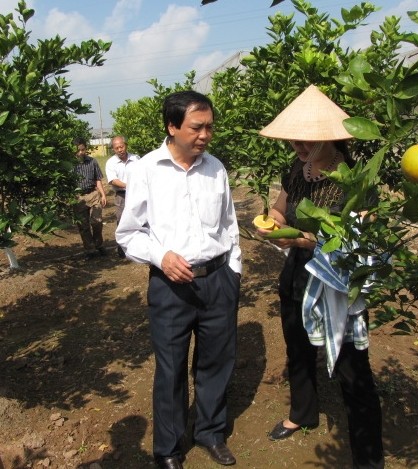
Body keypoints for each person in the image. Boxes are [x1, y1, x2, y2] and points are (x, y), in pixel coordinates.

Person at [257, 84, 384, 469]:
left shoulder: (356, 179)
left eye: (307, 139)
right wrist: (271, 224)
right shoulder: (296, 171)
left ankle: (367, 456)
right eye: (294, 138)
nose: (298, 144)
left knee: (351, 367)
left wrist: (304, 240)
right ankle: (303, 412)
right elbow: (281, 211)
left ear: (332, 138)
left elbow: (359, 240)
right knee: (298, 348)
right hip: (296, 274)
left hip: (337, 282)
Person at [116, 91, 242, 469]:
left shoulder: (216, 168)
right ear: (172, 127)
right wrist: (161, 256)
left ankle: (210, 432)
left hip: (218, 279)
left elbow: (229, 225)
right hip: (170, 286)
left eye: (209, 127)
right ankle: (168, 449)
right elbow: (128, 233)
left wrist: (233, 270)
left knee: (217, 362)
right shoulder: (147, 170)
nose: (205, 135)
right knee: (170, 367)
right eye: (197, 127)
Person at [105, 136, 139, 258]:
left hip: (136, 194)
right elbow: (113, 180)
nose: (120, 149)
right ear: (113, 149)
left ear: (126, 145)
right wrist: (129, 186)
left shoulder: (136, 159)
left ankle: (136, 247)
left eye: (122, 146)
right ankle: (122, 249)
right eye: (117, 148)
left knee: (138, 219)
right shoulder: (111, 163)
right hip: (122, 195)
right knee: (122, 221)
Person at [73, 137, 107, 258]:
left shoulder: (92, 162)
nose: (81, 152)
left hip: (93, 194)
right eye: (78, 150)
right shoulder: (70, 164)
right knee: (83, 225)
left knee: (97, 221)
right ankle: (90, 249)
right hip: (78, 197)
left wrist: (103, 194)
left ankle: (99, 244)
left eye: (83, 149)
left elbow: (98, 179)